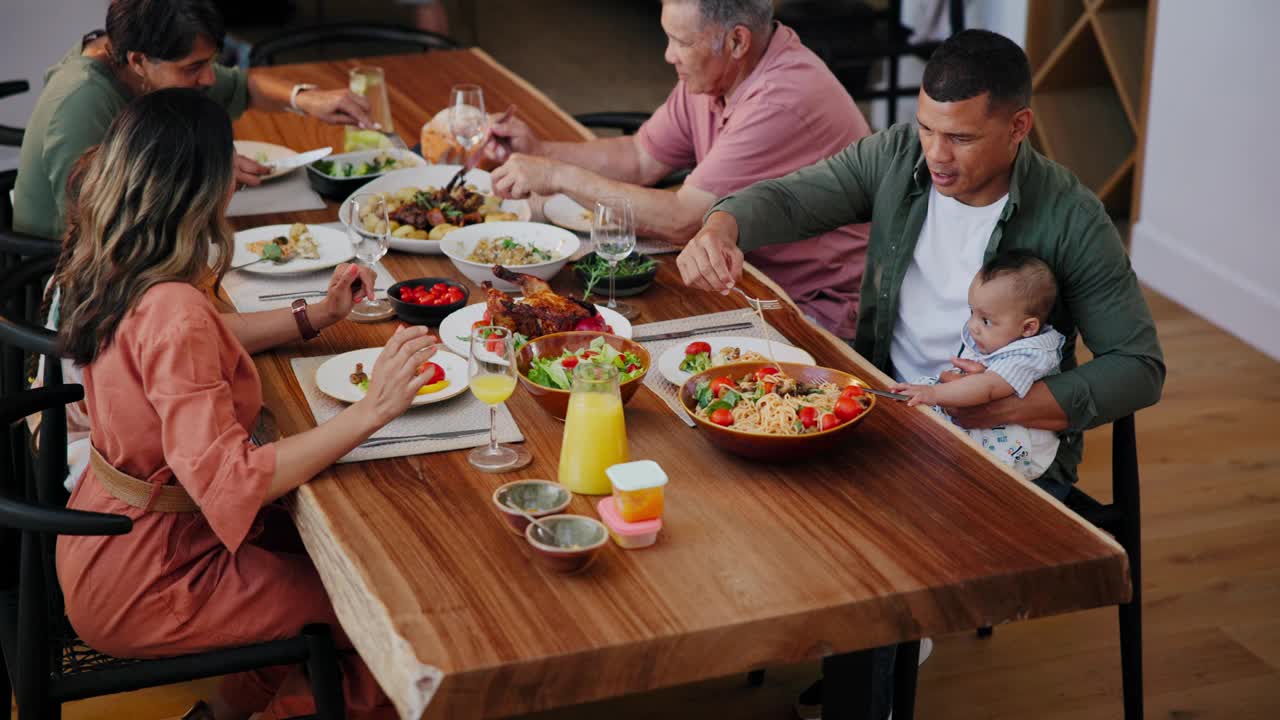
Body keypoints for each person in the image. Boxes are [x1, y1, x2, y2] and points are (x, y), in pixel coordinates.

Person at [675, 29, 1164, 718]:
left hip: (996, 444)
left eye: (960, 137)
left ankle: (871, 679)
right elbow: (793, 197)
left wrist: (1005, 408)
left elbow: (1139, 370)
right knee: (731, 462)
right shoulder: (899, 155)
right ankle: (833, 639)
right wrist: (724, 224)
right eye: (928, 128)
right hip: (886, 402)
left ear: (1018, 127)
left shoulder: (1072, 217)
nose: (936, 154)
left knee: (869, 535)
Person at [54, 89, 436, 720]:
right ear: (202, 189)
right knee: (386, 614)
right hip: (159, 574)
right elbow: (232, 484)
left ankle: (234, 707)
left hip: (112, 536)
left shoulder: (122, 262)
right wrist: (370, 411)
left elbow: (200, 342)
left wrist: (316, 315)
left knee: (342, 551)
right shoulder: (174, 308)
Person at [487, 0, 873, 339]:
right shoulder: (719, 75)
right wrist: (540, 151)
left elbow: (683, 219)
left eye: (682, 42)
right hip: (740, 279)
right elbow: (640, 157)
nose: (669, 55)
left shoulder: (780, 99)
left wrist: (556, 175)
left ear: (737, 41)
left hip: (809, 311)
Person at [13, 0, 375, 241]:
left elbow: (242, 85)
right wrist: (195, 168)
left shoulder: (142, 61)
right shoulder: (83, 100)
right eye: (195, 67)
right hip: (63, 266)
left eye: (209, 62)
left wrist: (305, 98)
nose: (210, 79)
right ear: (139, 61)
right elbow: (90, 222)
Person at [891, 250, 1067, 481]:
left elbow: (988, 387)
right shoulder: (1004, 335)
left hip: (1023, 444)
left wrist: (934, 393)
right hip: (997, 424)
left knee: (946, 450)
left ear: (1028, 328)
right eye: (971, 312)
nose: (973, 326)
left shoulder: (1029, 355)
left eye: (985, 320)